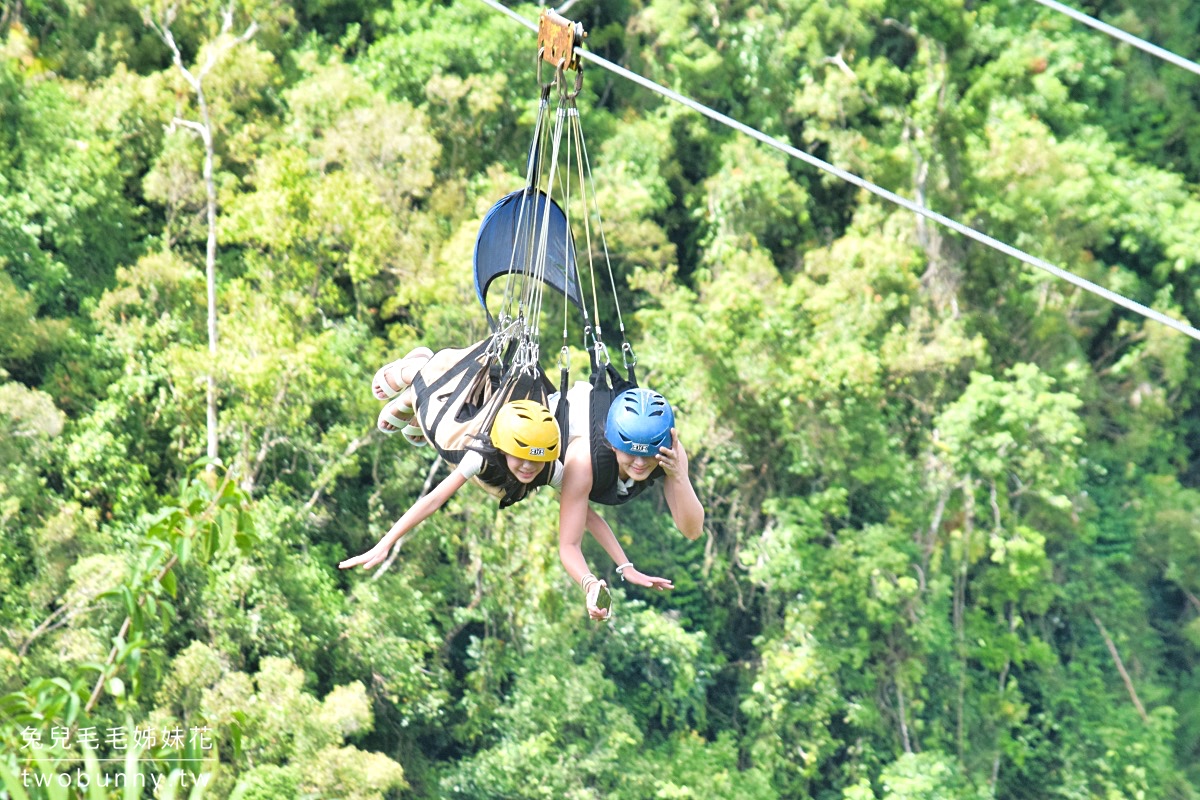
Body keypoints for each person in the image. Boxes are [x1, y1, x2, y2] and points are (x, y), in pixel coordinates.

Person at [340, 347, 564, 570]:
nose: (528, 466)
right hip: (469, 425)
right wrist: (385, 543)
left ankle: (414, 396)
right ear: (504, 449)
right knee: (445, 439)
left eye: (536, 460)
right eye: (521, 458)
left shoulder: (549, 466)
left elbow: (581, 506)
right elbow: (434, 500)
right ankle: (413, 371)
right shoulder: (478, 456)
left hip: (497, 409)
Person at [556, 383, 704, 620]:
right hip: (552, 438)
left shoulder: (668, 454)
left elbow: (693, 530)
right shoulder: (582, 461)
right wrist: (589, 583)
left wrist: (678, 476)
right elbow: (568, 544)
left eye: (648, 455)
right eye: (631, 453)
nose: (640, 463)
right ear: (613, 445)